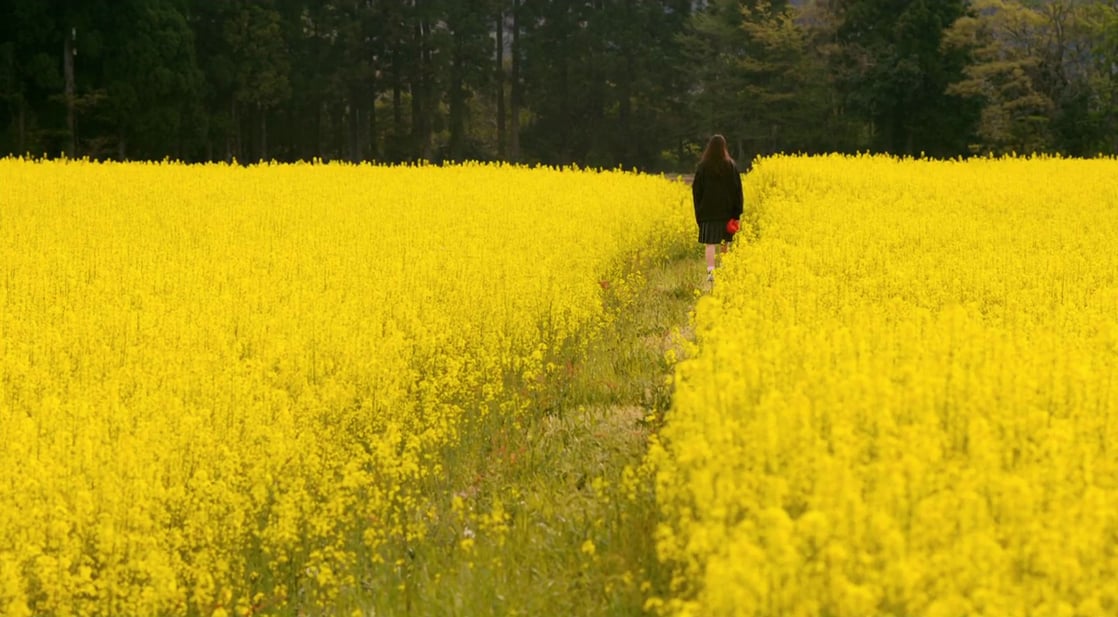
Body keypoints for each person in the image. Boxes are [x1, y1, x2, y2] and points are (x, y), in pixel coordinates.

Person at [691, 134, 744, 281]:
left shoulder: (702, 167)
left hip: (708, 212)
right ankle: (724, 269)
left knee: (710, 243)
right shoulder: (731, 166)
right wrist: (737, 212)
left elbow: (696, 190)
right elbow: (737, 190)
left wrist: (699, 210)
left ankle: (710, 271)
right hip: (726, 212)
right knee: (724, 242)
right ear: (724, 148)